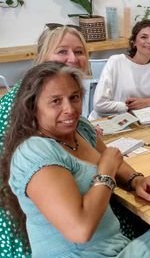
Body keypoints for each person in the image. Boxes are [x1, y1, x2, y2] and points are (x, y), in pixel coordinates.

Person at [0, 62, 150, 258]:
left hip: (116, 248)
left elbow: (113, 160)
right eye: (55, 101)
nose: (69, 109)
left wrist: (136, 180)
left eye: (74, 97)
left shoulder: (80, 128)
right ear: (33, 107)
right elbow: (80, 230)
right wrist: (106, 173)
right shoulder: (34, 152)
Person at [0, 25, 89, 258]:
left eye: (79, 52)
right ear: (42, 57)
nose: (72, 58)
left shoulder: (63, 90)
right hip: (24, 209)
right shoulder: (21, 100)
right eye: (62, 51)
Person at [90, 20, 150, 119]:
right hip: (108, 121)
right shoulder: (116, 62)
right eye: (144, 37)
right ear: (134, 42)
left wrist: (145, 103)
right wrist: (129, 106)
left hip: (143, 120)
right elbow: (99, 104)